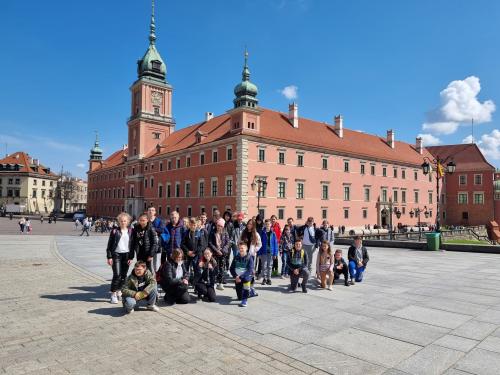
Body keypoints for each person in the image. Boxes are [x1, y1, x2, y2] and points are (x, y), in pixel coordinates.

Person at [106, 212, 133, 304]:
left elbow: (132, 246)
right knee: (117, 274)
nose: (123, 222)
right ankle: (113, 294)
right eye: (121, 221)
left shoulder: (131, 231)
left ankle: (119, 291)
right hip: (116, 255)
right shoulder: (114, 231)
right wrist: (109, 257)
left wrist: (131, 257)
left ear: (128, 222)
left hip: (126, 255)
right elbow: (109, 245)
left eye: (125, 221)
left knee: (124, 276)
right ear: (119, 221)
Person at [181, 217, 208, 283]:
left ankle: (196, 285)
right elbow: (182, 244)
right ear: (189, 225)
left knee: (197, 270)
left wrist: (195, 252)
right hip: (188, 255)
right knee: (186, 270)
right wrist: (187, 251)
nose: (193, 226)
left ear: (196, 225)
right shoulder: (186, 233)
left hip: (196, 255)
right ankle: (185, 283)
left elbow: (201, 245)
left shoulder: (199, 233)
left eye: (194, 225)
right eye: (191, 225)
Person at [230, 242, 255, 307]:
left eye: (242, 248)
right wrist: (235, 276)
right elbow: (231, 268)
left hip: (245, 277)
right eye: (239, 248)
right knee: (239, 297)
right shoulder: (236, 257)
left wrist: (240, 277)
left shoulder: (250, 258)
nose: (241, 249)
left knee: (245, 289)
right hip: (237, 279)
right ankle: (250, 291)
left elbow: (250, 270)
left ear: (246, 248)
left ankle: (245, 300)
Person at [208, 218, 230, 290]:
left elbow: (228, 243)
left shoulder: (225, 233)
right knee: (215, 268)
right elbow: (210, 243)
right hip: (215, 253)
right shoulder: (212, 232)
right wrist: (217, 250)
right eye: (218, 225)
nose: (219, 227)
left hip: (223, 254)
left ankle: (220, 283)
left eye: (220, 226)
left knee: (221, 268)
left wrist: (223, 250)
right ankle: (213, 282)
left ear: (223, 226)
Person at [258, 219, 279, 285]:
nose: (267, 225)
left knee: (269, 266)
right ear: (264, 225)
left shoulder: (273, 233)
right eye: (266, 224)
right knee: (264, 266)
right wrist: (259, 253)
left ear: (270, 225)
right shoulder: (262, 233)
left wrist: (275, 253)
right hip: (263, 252)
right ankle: (264, 278)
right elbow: (259, 243)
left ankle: (269, 279)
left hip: (271, 252)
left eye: (268, 224)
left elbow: (275, 244)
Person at [147, 206, 164, 273]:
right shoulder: (146, 220)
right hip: (148, 245)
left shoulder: (159, 221)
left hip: (157, 245)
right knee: (149, 264)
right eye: (149, 210)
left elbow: (161, 230)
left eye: (152, 210)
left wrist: (151, 230)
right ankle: (150, 279)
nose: (151, 211)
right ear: (147, 212)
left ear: (155, 212)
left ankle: (157, 279)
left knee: (156, 264)